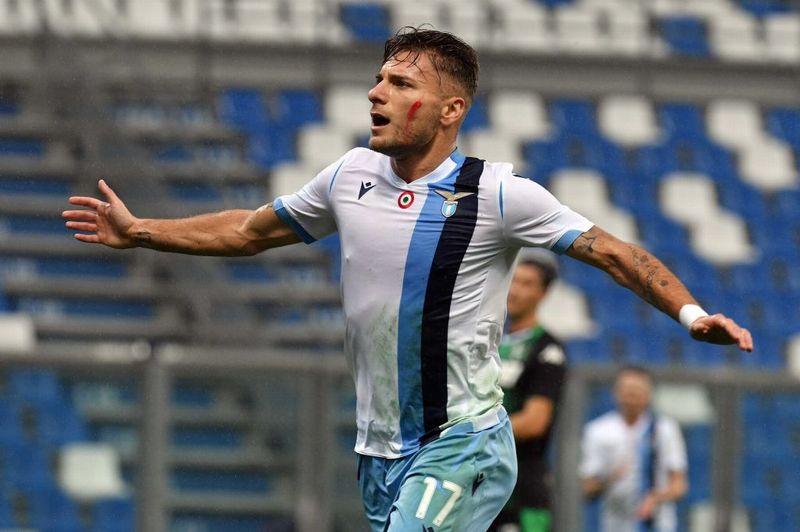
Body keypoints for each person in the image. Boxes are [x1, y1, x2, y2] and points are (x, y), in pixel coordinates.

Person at [62, 27, 751, 532]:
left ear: (452, 110)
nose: (376, 92)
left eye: (401, 84)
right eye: (379, 79)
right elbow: (248, 231)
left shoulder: (498, 194)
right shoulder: (349, 175)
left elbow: (613, 253)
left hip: (464, 443)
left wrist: (692, 316)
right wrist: (141, 230)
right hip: (380, 450)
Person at [490, 250, 567, 532]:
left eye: (527, 283)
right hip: (483, 483)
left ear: (543, 293)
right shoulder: (490, 342)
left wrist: (475, 433)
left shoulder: (547, 349)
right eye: (513, 280)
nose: (515, 290)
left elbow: (535, 421)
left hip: (523, 488)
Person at [580, 366, 688, 532]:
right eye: (627, 390)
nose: (631, 396)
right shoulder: (598, 430)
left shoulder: (664, 429)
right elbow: (586, 487)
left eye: (637, 390)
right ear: (615, 392)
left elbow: (679, 485)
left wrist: (655, 498)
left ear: (648, 393)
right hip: (615, 524)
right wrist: (611, 478)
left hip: (658, 524)